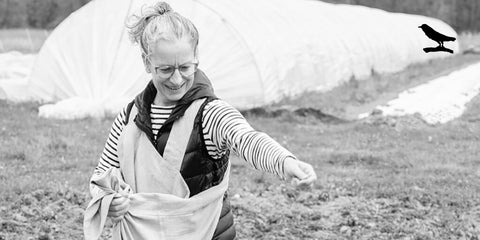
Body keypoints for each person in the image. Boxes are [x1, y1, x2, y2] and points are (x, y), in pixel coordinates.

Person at [85, 2, 317, 239]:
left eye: (185, 67)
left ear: (196, 58)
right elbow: (103, 174)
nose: (176, 79)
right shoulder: (129, 117)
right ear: (147, 63)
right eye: (165, 69)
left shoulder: (210, 114)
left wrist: (285, 162)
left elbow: (247, 139)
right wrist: (110, 200)